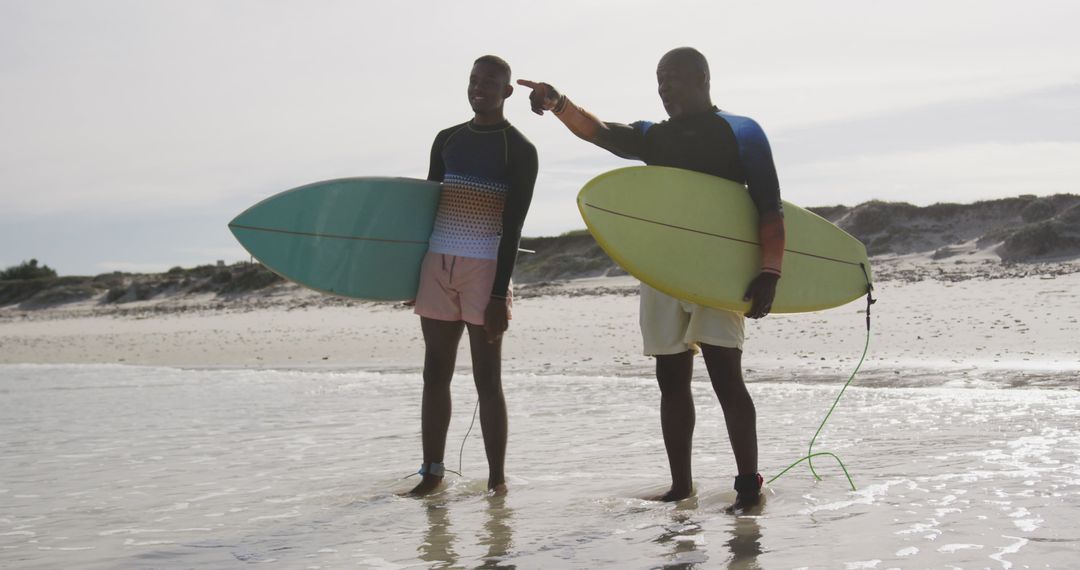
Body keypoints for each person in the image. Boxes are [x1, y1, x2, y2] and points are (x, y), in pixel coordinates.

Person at [517, 47, 784, 510]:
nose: (664, 88)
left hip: (718, 270)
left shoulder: (741, 132)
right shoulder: (654, 137)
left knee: (726, 377)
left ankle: (747, 485)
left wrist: (770, 273)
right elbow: (599, 132)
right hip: (660, 269)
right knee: (670, 378)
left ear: (702, 77)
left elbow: (769, 207)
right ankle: (682, 486)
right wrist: (558, 102)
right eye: (659, 80)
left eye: (674, 78)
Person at [407, 55, 538, 496]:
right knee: (434, 373)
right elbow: (425, 209)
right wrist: (410, 275)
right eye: (474, 80)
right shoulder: (447, 140)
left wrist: (499, 296)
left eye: (490, 82)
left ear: (507, 92)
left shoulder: (518, 148)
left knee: (488, 380)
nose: (479, 88)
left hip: (485, 271)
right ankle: (432, 472)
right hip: (437, 265)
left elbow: (514, 226)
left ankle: (496, 480)